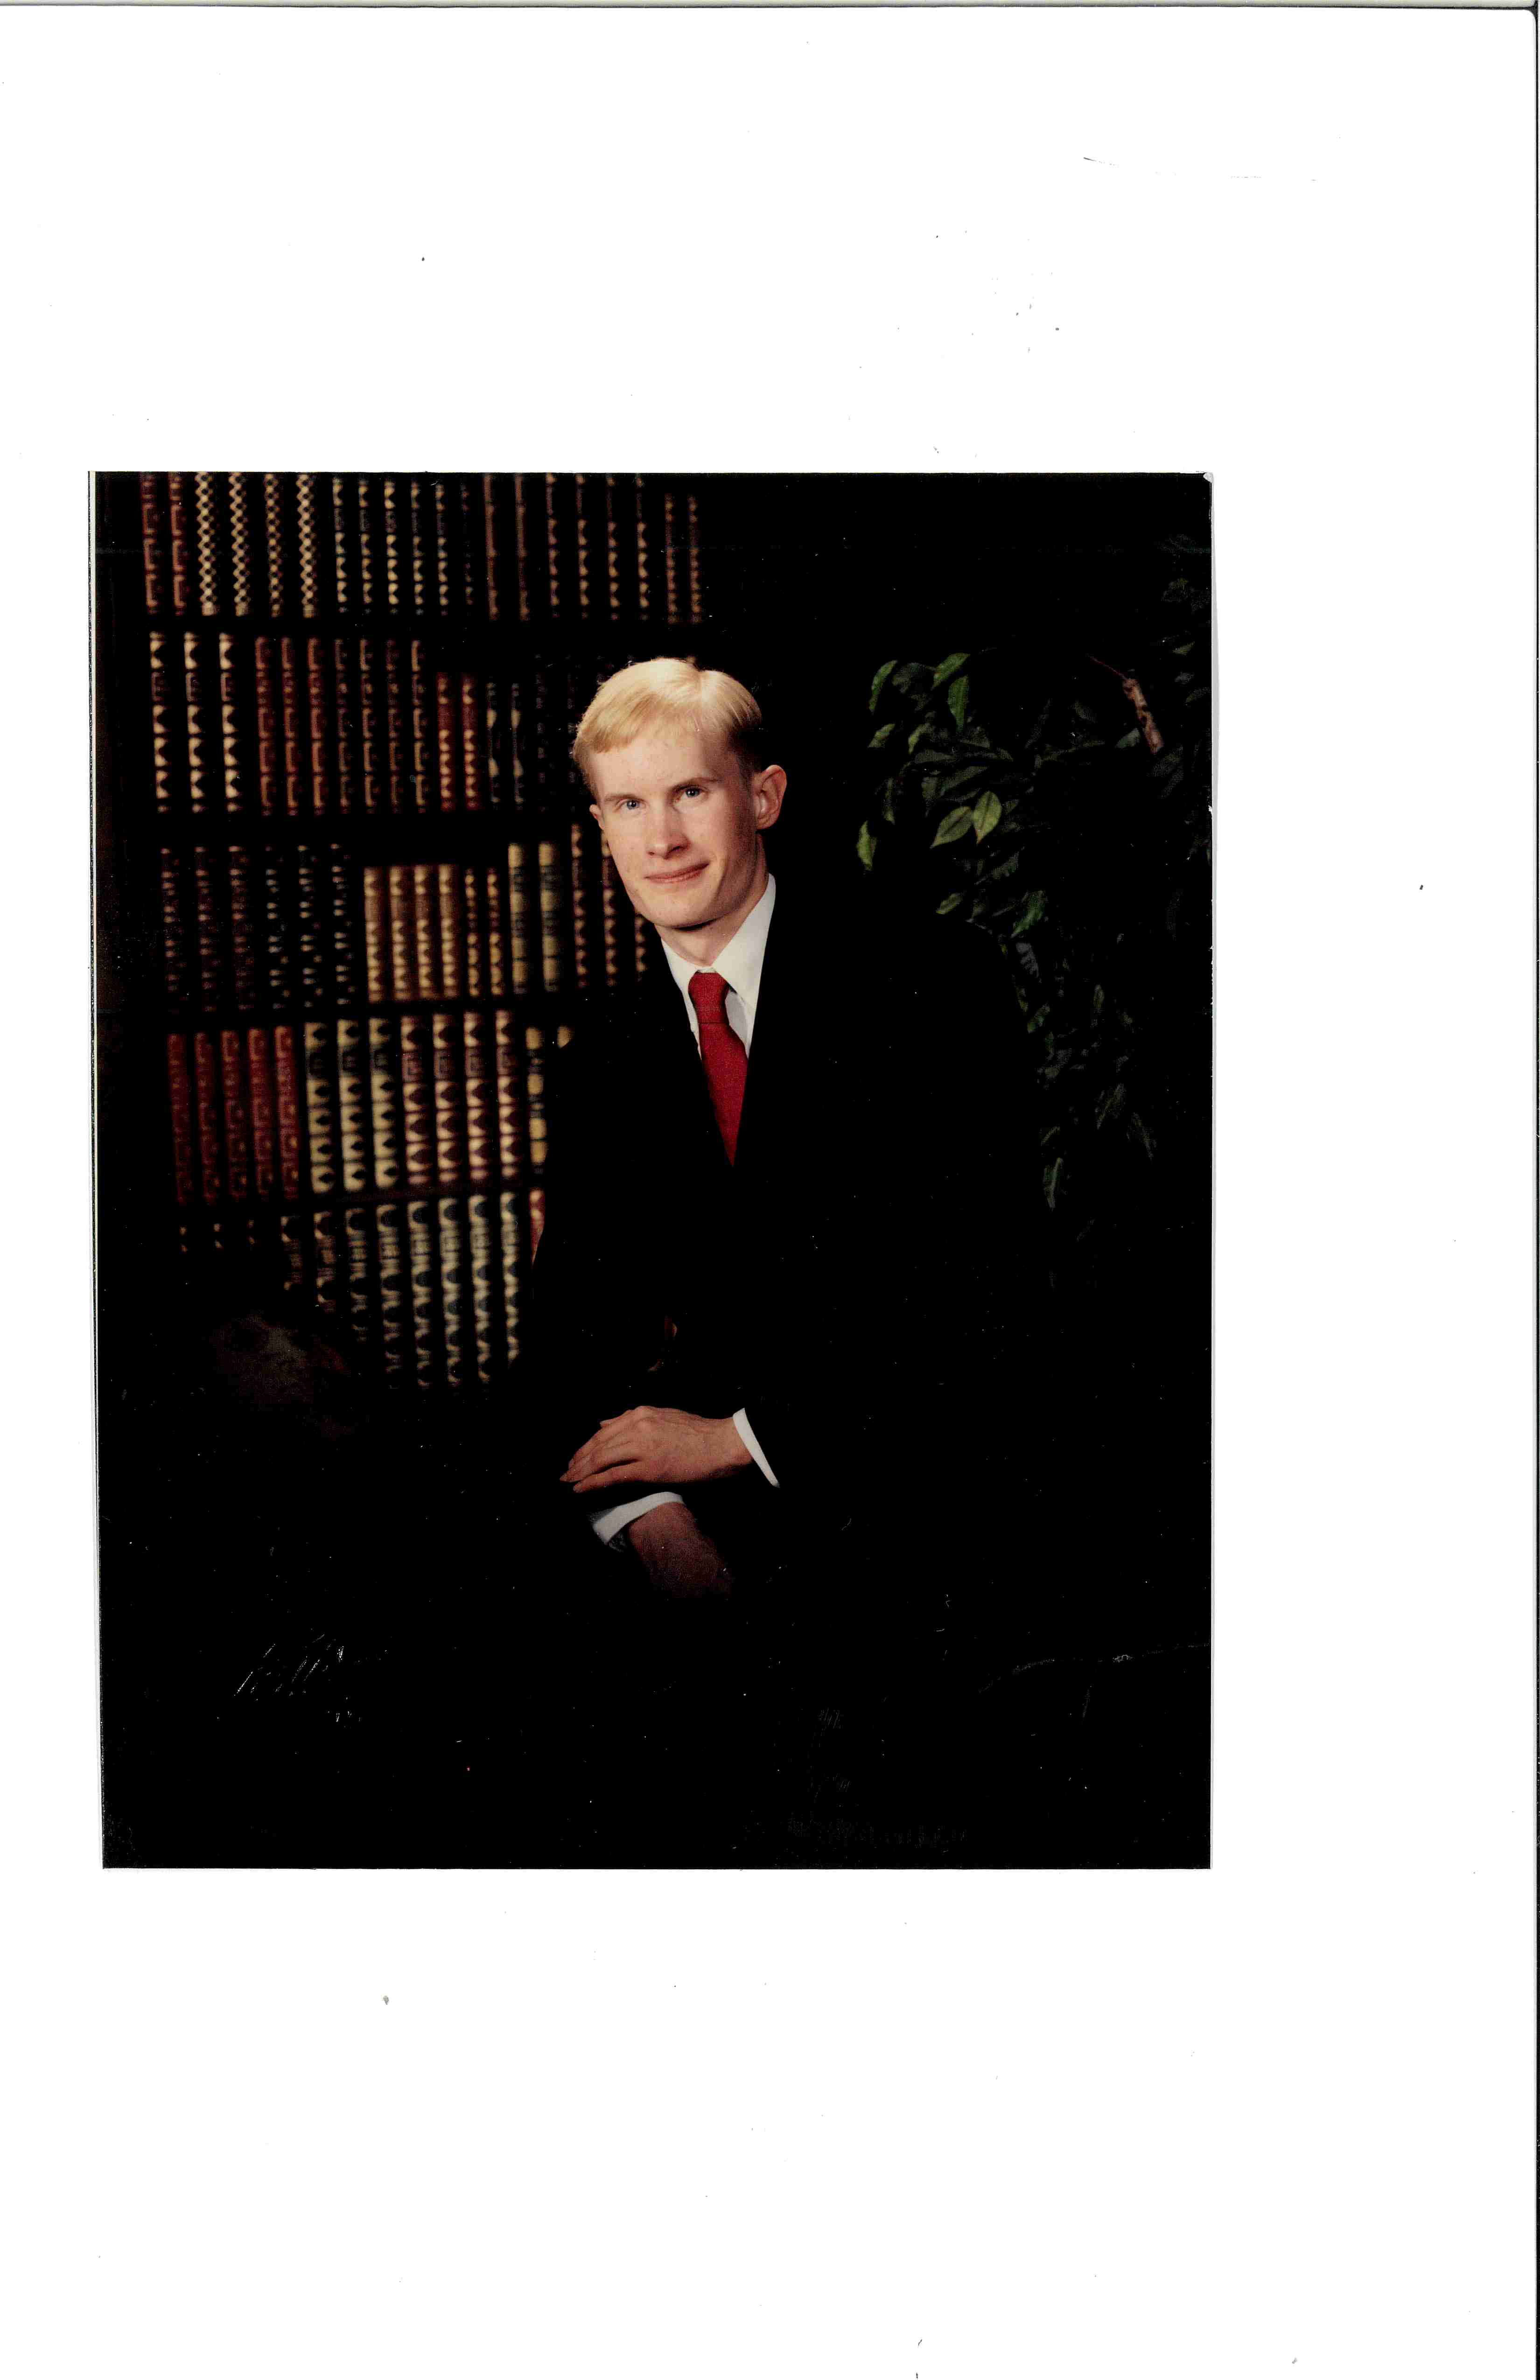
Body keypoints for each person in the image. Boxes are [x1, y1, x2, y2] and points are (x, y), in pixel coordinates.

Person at [515, 657, 1039, 1854]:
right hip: (698, 1541)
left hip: (912, 1520)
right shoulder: (603, 1060)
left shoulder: (927, 988)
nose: (662, 838)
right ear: (599, 827)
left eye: (690, 793)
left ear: (764, 796)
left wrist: (738, 1440)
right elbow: (568, 1344)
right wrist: (650, 1513)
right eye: (629, 804)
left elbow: (986, 1301)